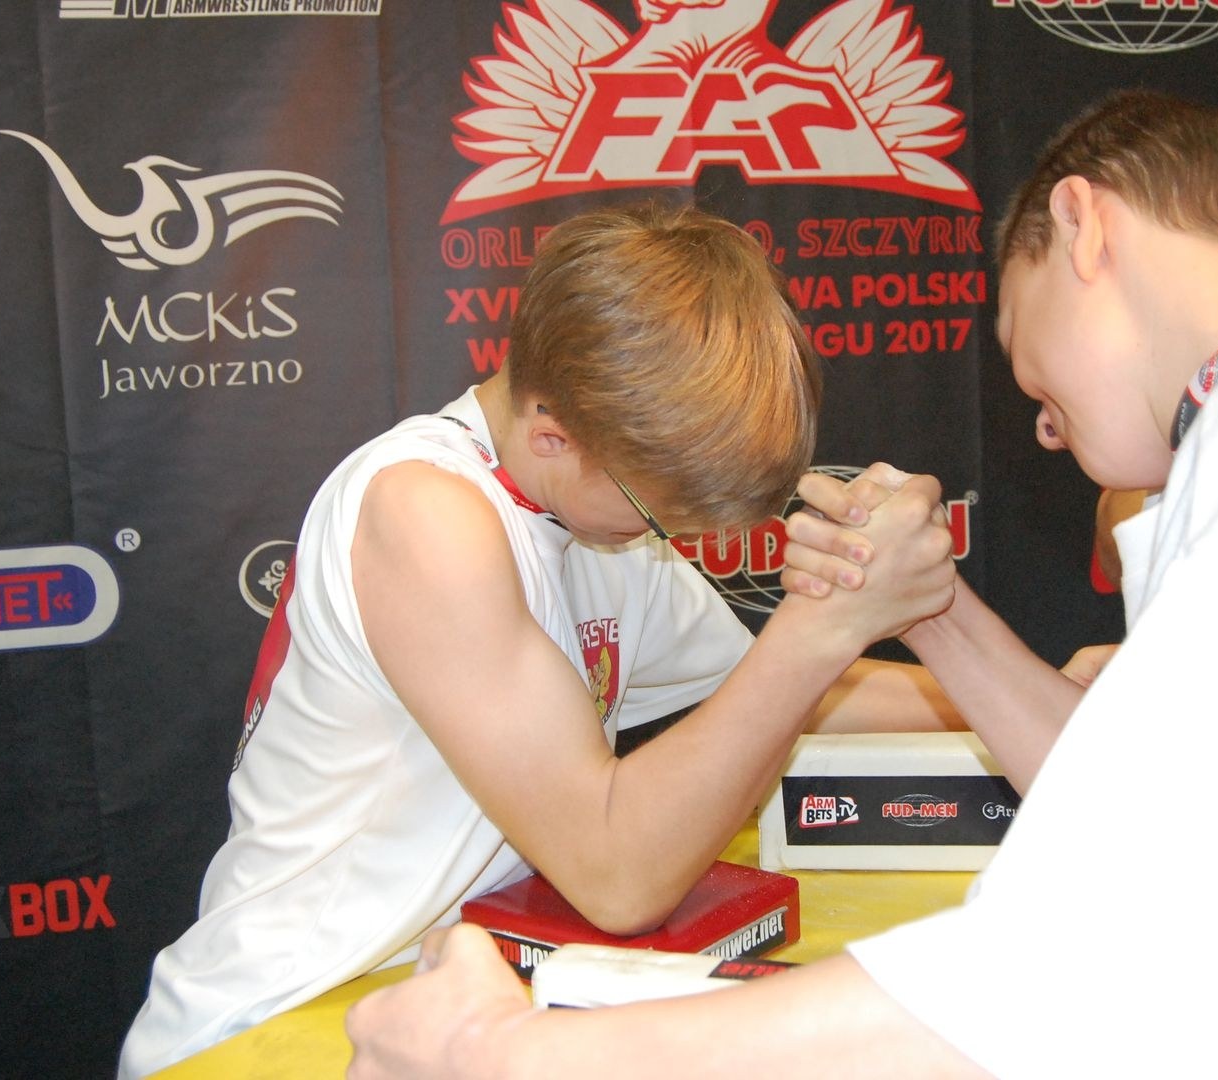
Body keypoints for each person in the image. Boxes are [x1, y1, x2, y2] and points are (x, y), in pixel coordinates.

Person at [343, 89, 1218, 1078]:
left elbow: (1074, 966)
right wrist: (928, 606)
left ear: (1081, 226)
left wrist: (511, 1056)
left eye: (1028, 364)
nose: (1042, 428)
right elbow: (1141, 826)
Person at [116, 202, 960, 1077]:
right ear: (553, 433)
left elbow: (778, 693)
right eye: (655, 514)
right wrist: (819, 624)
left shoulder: (597, 518)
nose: (662, 536)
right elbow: (617, 876)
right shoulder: (427, 512)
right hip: (279, 1021)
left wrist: (1021, 705)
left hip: (448, 996)